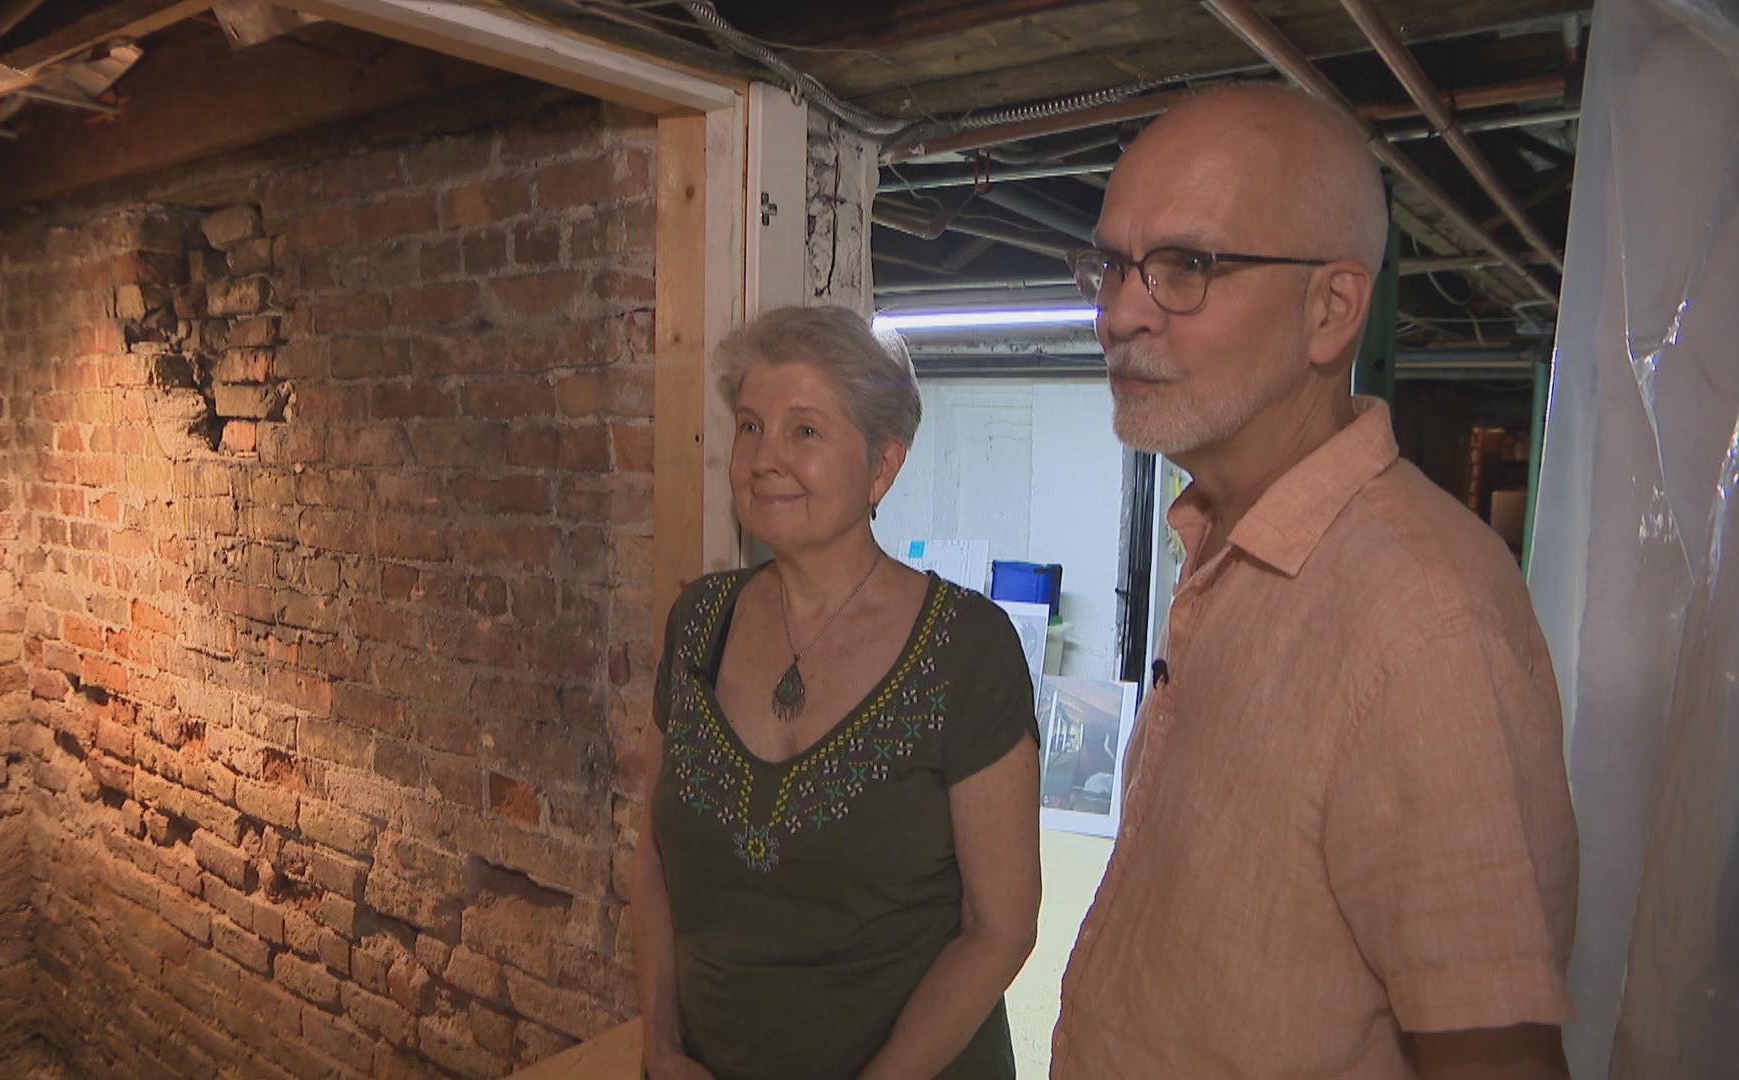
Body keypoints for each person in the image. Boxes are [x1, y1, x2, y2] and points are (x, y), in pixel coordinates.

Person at [1051, 84, 1580, 1078]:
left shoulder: (1422, 627)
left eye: (1185, 267)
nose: (1120, 312)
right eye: (1114, 264)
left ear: (1331, 308)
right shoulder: (1219, 538)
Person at [633, 305, 1042, 1079]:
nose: (763, 459)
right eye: (750, 427)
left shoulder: (967, 650)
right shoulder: (698, 624)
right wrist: (658, 1045)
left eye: (805, 431)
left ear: (883, 466)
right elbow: (653, 859)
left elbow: (1001, 927)